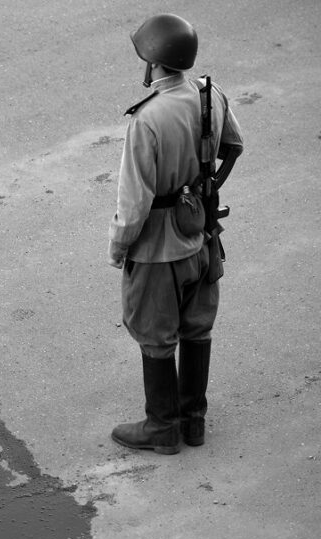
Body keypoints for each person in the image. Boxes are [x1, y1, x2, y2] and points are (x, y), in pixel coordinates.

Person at [107, 14, 243, 454]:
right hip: (203, 235)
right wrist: (204, 188)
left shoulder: (147, 119)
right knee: (197, 327)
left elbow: (134, 203)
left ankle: (162, 428)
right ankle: (193, 422)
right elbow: (233, 146)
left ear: (153, 64)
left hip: (158, 249)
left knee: (155, 333)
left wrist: (118, 247)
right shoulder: (209, 94)